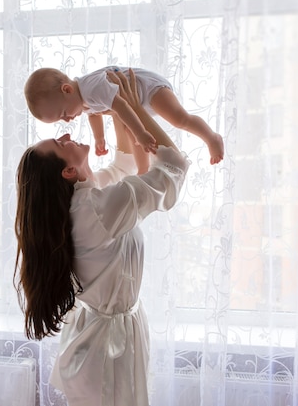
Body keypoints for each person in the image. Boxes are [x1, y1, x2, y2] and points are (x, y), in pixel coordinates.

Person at [14, 69, 190, 406]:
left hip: (101, 340)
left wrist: (117, 107)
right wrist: (136, 113)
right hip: (105, 351)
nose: (65, 135)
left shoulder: (81, 200)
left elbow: (123, 168)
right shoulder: (95, 210)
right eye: (59, 143)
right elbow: (174, 169)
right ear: (67, 171)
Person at [23, 66, 223, 173]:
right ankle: (143, 168)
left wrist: (141, 133)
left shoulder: (92, 88)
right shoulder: (81, 100)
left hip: (149, 88)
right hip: (136, 100)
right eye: (61, 119)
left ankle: (211, 137)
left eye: (63, 113)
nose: (67, 120)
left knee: (179, 119)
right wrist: (99, 139)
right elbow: (93, 113)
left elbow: (122, 106)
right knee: (129, 130)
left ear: (67, 90)